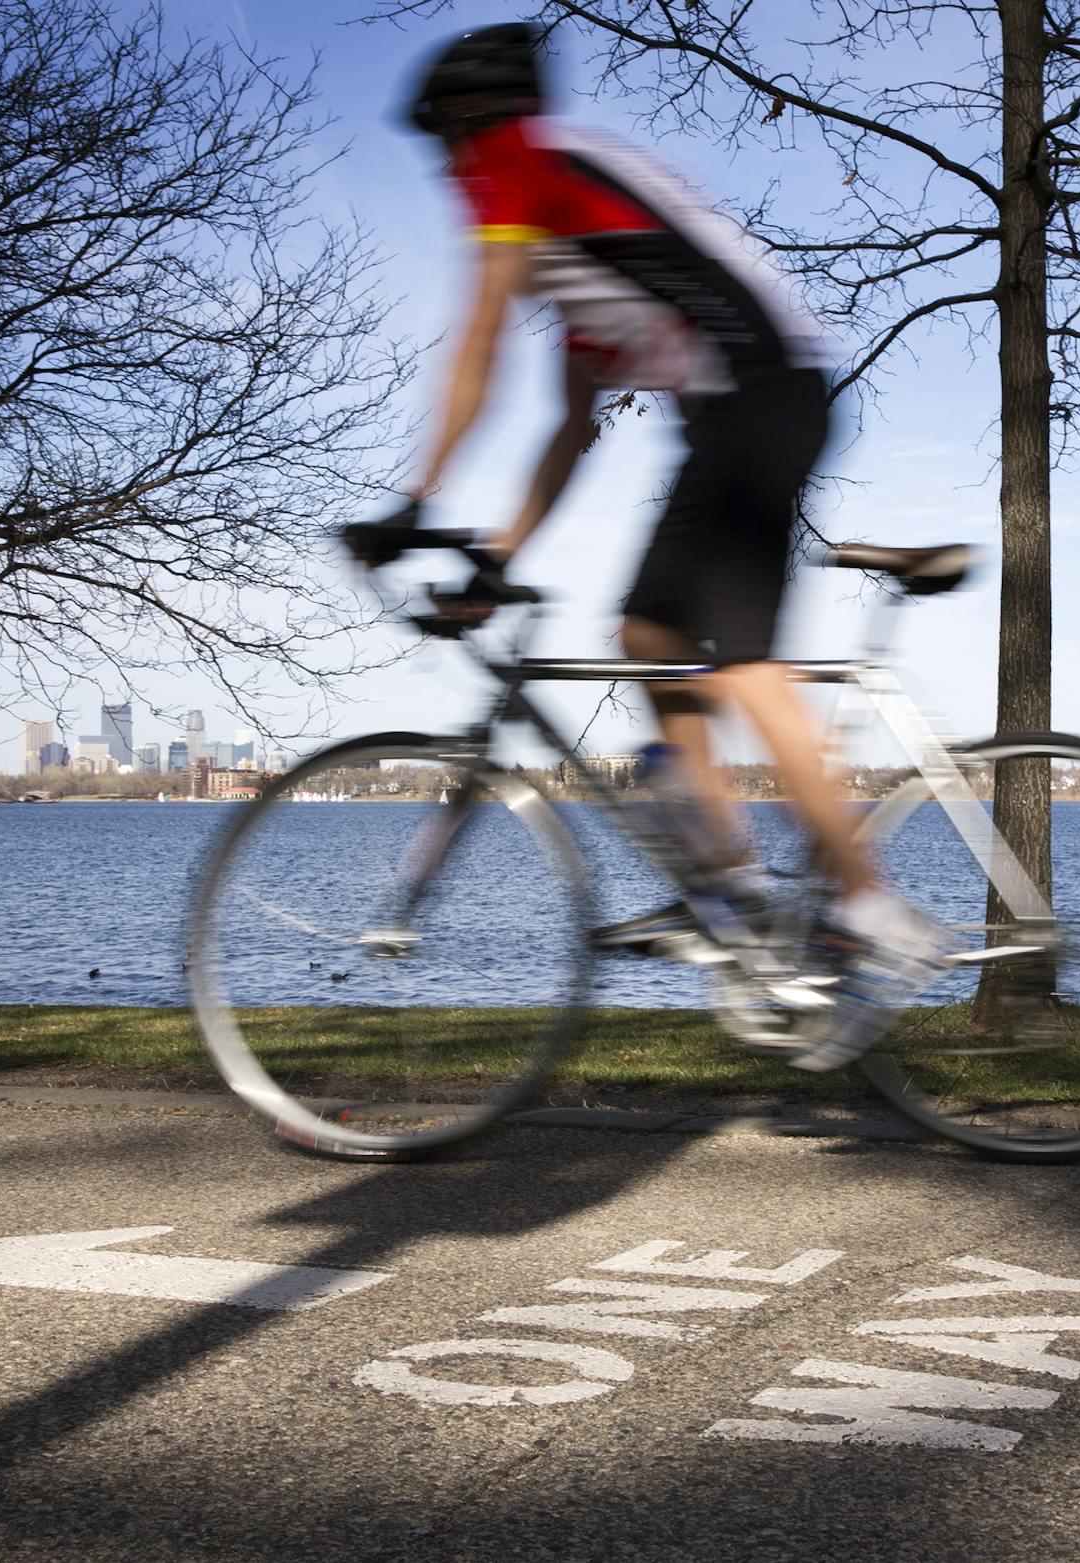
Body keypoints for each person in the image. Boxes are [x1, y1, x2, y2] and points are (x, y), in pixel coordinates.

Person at [376, 22, 943, 1072]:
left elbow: (478, 351)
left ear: (470, 123)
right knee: (645, 628)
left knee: (744, 665)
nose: (450, 172)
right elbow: (567, 429)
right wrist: (496, 559)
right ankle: (724, 892)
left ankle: (875, 910)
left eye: (446, 146)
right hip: (744, 411)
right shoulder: (579, 262)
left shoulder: (520, 166)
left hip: (758, 404)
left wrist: (413, 498)